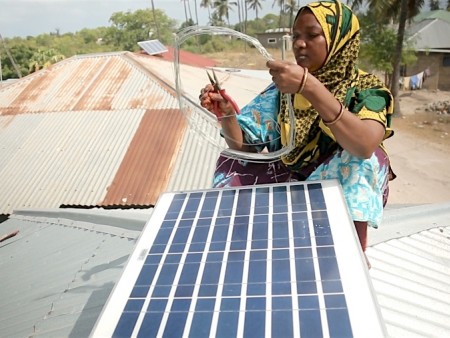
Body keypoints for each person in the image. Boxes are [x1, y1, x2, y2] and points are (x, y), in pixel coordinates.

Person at [199, 0, 395, 258]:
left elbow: (364, 145)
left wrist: (310, 87)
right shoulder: (282, 91)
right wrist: (227, 115)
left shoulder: (367, 90)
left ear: (340, 40)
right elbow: (244, 147)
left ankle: (346, 256)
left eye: (312, 35)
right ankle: (241, 246)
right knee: (233, 160)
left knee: (363, 162)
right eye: (296, 36)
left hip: (335, 189)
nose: (300, 44)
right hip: (290, 184)